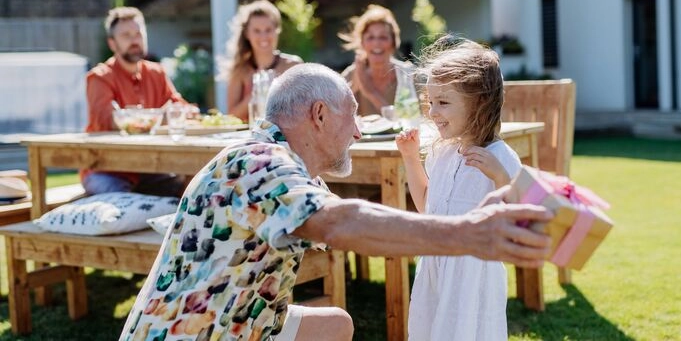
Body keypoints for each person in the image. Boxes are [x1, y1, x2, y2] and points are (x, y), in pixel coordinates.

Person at [119, 63, 553, 341]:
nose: (360, 133)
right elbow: (341, 223)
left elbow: (354, 223)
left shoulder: (287, 168)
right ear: (320, 116)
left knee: (335, 326)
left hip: (245, 320)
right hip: (197, 332)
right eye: (353, 116)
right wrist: (470, 233)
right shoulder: (259, 163)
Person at [396, 36, 520, 341]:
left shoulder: (501, 157)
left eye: (444, 102)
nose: (432, 112)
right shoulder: (442, 152)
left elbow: (520, 219)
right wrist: (412, 160)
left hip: (473, 278)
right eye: (430, 102)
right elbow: (428, 206)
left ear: (479, 103)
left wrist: (501, 177)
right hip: (436, 266)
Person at [84, 6, 189, 197]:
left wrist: (173, 112)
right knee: (120, 201)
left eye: (138, 34)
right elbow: (110, 120)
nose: (134, 40)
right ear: (112, 44)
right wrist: (160, 116)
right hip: (108, 171)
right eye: (126, 35)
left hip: (151, 168)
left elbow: (180, 107)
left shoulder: (157, 72)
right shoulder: (99, 77)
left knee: (191, 188)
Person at [222, 0, 303, 121]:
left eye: (268, 30)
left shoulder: (293, 66)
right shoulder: (240, 70)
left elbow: (304, 109)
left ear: (277, 30)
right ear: (247, 34)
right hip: (250, 138)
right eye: (257, 31)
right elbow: (232, 116)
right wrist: (258, 92)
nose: (263, 37)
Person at [339, 4, 414, 116]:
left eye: (383, 37)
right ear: (362, 43)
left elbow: (409, 119)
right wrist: (352, 89)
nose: (376, 43)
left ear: (393, 42)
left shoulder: (408, 74)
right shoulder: (350, 74)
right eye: (370, 37)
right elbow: (336, 116)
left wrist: (370, 92)